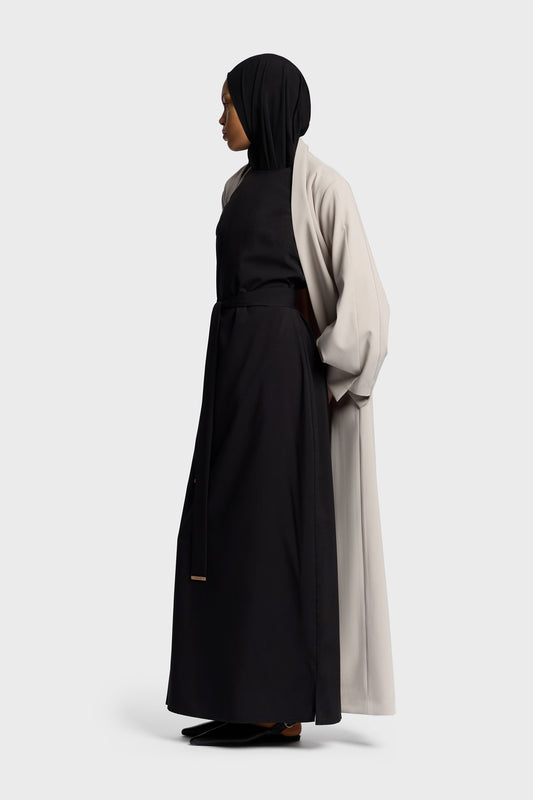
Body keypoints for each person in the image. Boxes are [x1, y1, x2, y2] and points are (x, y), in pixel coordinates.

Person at [165, 53, 394, 747]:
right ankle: (240, 694)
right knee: (223, 526)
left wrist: (321, 379)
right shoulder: (236, 188)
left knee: (273, 531)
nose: (220, 118)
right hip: (231, 368)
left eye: (229, 103)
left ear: (262, 105)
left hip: (282, 378)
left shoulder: (322, 187)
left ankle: (280, 705)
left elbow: (365, 309)